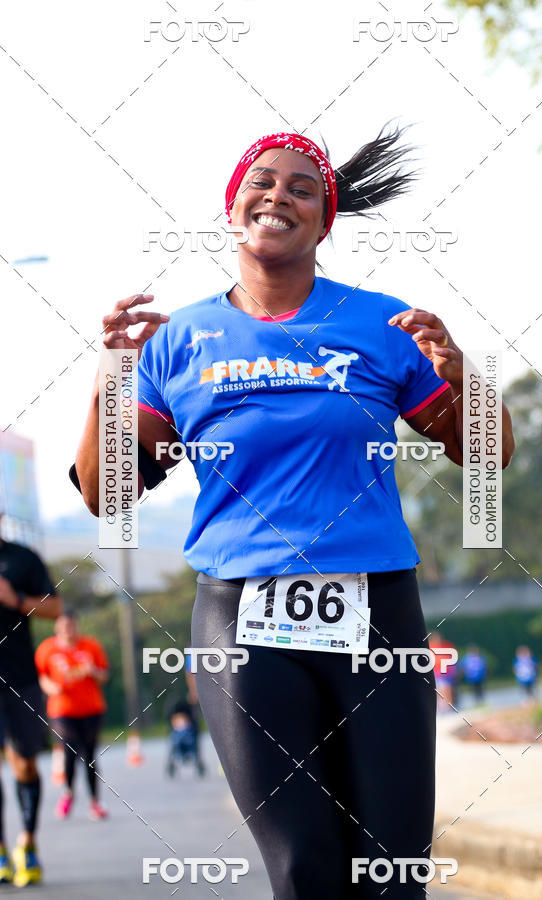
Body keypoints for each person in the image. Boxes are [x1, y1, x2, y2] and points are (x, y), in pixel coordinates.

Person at [73, 126, 515, 898]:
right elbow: (109, 492)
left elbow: (488, 457)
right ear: (234, 206)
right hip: (241, 619)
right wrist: (111, 379)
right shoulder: (178, 340)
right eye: (263, 181)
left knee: (391, 870)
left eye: (302, 188)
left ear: (324, 222)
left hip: (376, 608)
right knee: (305, 869)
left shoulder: (383, 324)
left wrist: (461, 376)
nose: (279, 194)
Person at [0, 510, 62, 886]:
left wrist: (16, 599)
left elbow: (54, 608)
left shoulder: (23, 558)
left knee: (24, 764)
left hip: (19, 678)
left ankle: (28, 843)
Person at [35, 608, 109, 821]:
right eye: (64, 626)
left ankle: (95, 802)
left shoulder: (91, 646)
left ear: (77, 626)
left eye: (71, 625)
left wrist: (93, 671)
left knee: (89, 755)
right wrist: (51, 688)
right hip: (62, 710)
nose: (68, 630)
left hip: (91, 709)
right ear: (57, 627)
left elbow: (105, 675)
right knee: (69, 749)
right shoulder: (47, 649)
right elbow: (41, 677)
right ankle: (68, 792)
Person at [429, 631, 459, 711]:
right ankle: (442, 708)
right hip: (436, 672)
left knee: (447, 689)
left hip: (446, 672)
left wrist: (454, 670)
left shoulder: (447, 645)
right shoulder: (430, 647)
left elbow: (453, 657)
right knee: (439, 690)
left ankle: (449, 706)